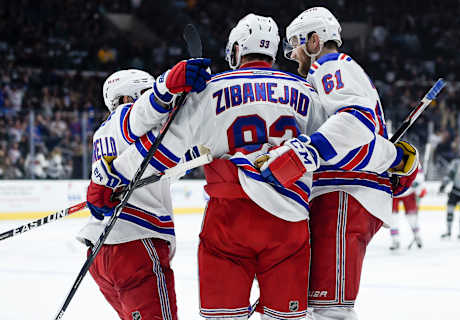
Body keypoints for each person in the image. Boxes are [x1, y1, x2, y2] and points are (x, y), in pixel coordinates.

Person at [89, 14, 327, 320]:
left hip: (228, 222)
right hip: (289, 219)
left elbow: (163, 150)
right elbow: (336, 150)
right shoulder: (309, 91)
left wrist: (114, 178)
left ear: (238, 50)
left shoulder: (212, 89)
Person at [257, 7, 419, 320]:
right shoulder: (329, 73)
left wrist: (302, 153)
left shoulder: (330, 64)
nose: (294, 55)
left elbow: (356, 122)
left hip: (345, 195)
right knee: (321, 307)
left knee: (332, 311)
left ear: (315, 40)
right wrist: (392, 158)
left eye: (297, 45)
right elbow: (360, 134)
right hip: (339, 195)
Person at [79, 64, 211, 320]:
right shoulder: (125, 116)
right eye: (144, 92)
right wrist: (166, 85)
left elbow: (167, 163)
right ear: (127, 97)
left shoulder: (102, 133)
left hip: (100, 251)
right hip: (135, 242)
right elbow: (140, 115)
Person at [390, 165, 427, 250]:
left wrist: (419, 186)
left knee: (412, 217)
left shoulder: (411, 153)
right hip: (394, 192)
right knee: (393, 217)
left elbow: (418, 173)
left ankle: (417, 236)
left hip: (408, 191)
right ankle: (395, 240)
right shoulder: (390, 154)